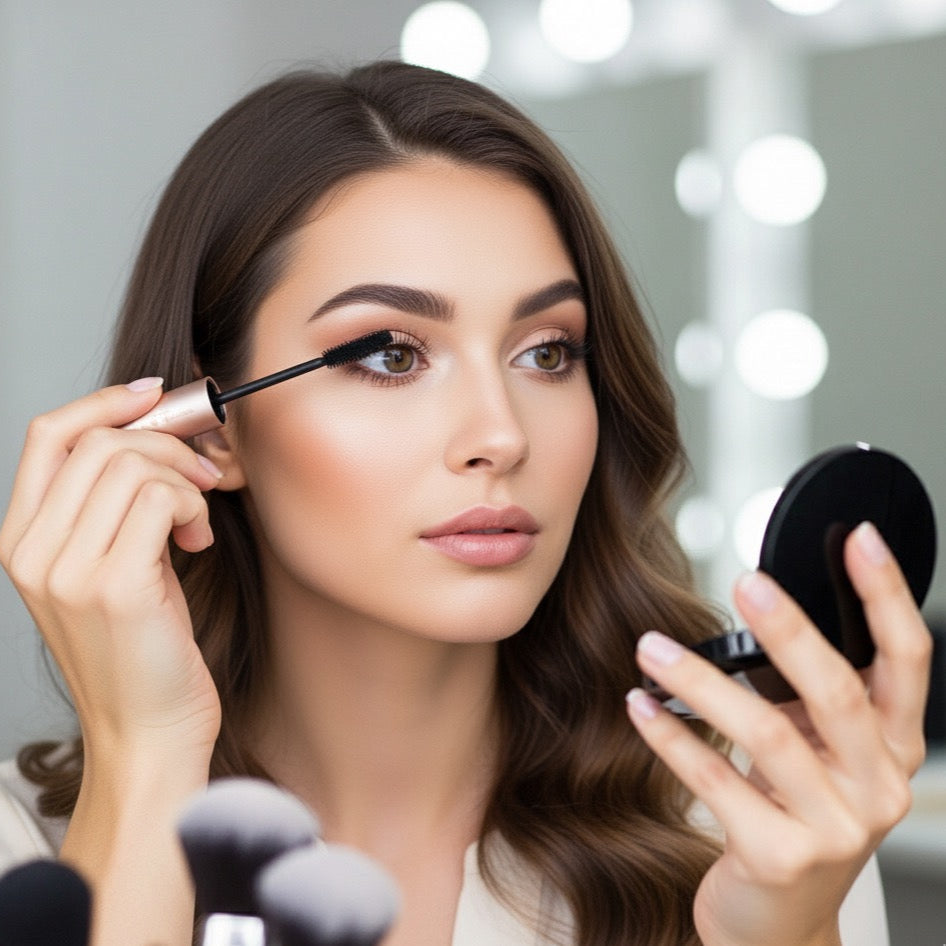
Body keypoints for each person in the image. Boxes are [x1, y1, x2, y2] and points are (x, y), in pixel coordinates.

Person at [0, 61, 930, 946]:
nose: (502, 433)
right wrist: (146, 755)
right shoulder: (20, 851)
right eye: (392, 354)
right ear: (211, 428)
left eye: (547, 353)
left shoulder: (765, 830)